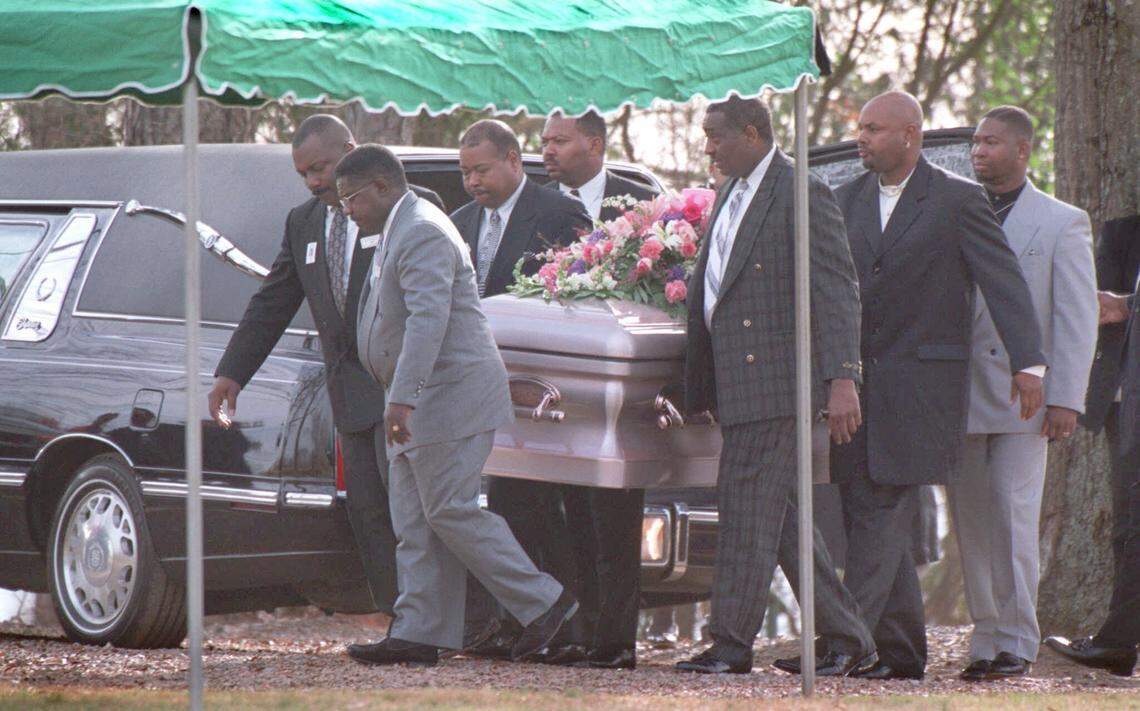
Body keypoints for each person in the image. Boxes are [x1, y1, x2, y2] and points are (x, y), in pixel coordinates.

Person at [821, 91, 1046, 681]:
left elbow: (1005, 282)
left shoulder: (958, 200)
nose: (862, 138)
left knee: (882, 506)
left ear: (911, 135)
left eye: (874, 129)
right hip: (856, 387)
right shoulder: (843, 199)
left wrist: (1030, 363)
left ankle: (847, 641)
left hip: (924, 387)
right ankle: (900, 653)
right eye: (861, 128)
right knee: (864, 505)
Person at [337, 144, 578, 666]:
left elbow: (429, 320)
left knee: (450, 510)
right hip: (414, 400)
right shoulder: (397, 227)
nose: (347, 210)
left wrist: (403, 397)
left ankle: (548, 603)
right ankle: (419, 631)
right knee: (414, 519)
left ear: (382, 187)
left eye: (350, 198)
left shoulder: (422, 228)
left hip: (443, 397)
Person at [208, 115, 443, 619]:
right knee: (371, 514)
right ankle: (401, 621)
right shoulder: (303, 223)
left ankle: (443, 621)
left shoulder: (412, 210)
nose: (315, 181)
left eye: (322, 167)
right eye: (305, 174)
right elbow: (273, 300)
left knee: (421, 514)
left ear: (351, 151)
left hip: (407, 393)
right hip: (350, 399)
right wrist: (232, 373)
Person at [674, 96, 877, 676]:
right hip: (736, 381)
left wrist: (844, 378)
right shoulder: (728, 192)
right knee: (780, 518)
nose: (707, 147)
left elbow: (837, 288)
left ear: (753, 132)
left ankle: (731, 645)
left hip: (777, 381)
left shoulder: (800, 190)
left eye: (715, 135)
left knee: (742, 510)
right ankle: (848, 638)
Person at [949, 106, 1097, 681]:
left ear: (1022, 150)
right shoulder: (955, 209)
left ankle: (1017, 640)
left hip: (1024, 398)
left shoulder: (1062, 221)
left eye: (991, 143)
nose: (979, 152)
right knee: (971, 522)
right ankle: (984, 638)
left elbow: (1077, 316)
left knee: (1013, 515)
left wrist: (1067, 398)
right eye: (976, 144)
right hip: (957, 394)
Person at [448, 119, 593, 663]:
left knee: (540, 507)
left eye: (481, 169)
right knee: (502, 508)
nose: (472, 182)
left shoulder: (557, 214)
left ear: (514, 160)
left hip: (544, 388)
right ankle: (514, 621)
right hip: (480, 388)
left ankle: (567, 623)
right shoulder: (458, 223)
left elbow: (586, 291)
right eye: (465, 172)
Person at [538, 110, 658, 669]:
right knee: (571, 516)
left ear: (595, 142)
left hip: (625, 380)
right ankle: (580, 632)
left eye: (559, 140)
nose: (548, 150)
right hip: (562, 380)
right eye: (542, 141)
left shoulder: (640, 198)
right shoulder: (540, 203)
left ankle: (617, 640)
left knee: (617, 516)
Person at [1046, 249, 1140, 677]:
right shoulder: (1126, 231)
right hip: (1124, 403)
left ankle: (1116, 642)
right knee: (1127, 528)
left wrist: (1128, 306)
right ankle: (1118, 642)